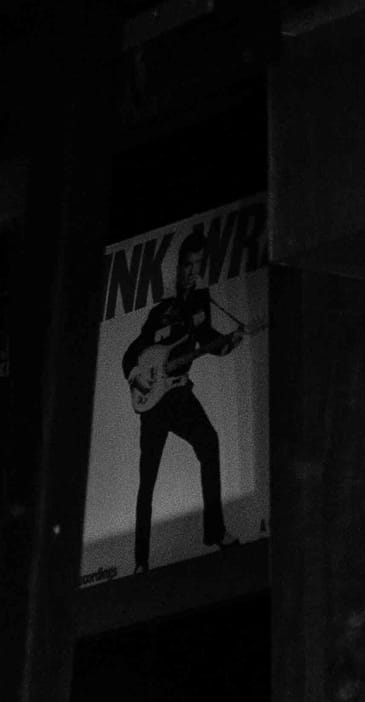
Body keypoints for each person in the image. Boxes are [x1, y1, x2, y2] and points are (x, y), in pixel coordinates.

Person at [121, 226, 244, 574]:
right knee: (148, 479)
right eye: (188, 265)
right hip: (154, 404)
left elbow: (207, 338)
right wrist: (136, 375)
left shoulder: (202, 302)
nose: (193, 271)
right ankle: (141, 560)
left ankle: (215, 531)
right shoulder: (161, 310)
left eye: (198, 265)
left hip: (181, 393)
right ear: (179, 268)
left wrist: (228, 343)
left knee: (210, 442)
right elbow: (133, 352)